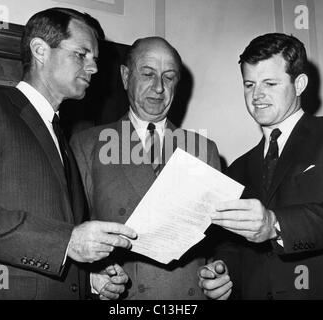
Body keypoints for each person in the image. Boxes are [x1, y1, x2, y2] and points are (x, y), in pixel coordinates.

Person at [0, 7, 136, 300]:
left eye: (95, 59)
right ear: (40, 50)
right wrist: (67, 242)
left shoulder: (63, 138)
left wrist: (88, 279)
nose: (94, 68)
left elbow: (60, 236)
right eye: (82, 54)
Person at [199, 32, 323, 299]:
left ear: (300, 83)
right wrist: (224, 273)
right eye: (249, 84)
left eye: (270, 83)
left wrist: (275, 225)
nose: (257, 95)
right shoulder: (238, 167)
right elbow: (232, 245)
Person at [71, 37, 222, 299]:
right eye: (148, 74)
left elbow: (215, 242)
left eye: (169, 77)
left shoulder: (203, 148)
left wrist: (217, 274)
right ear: (126, 76)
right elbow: (68, 236)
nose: (159, 88)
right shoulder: (87, 144)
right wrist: (92, 279)